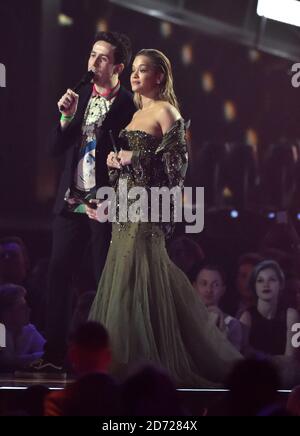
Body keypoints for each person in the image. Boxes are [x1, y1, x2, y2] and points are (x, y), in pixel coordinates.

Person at [88, 49, 241, 387]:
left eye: (144, 70)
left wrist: (130, 157)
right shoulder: (134, 114)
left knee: (143, 270)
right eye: (135, 70)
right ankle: (127, 359)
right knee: (125, 275)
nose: (135, 75)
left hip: (146, 208)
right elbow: (132, 165)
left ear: (160, 76)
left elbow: (177, 165)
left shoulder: (167, 111)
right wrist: (115, 165)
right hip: (125, 206)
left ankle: (151, 363)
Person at [32, 32, 136, 372]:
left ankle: (109, 359)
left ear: (118, 66)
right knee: (57, 274)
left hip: (105, 205)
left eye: (103, 58)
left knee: (105, 280)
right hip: (71, 202)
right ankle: (53, 356)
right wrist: (64, 118)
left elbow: (135, 156)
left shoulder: (128, 105)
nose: (94, 62)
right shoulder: (78, 96)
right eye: (92, 54)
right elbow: (53, 150)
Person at [240, 260, 300, 357]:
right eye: (260, 280)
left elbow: (291, 358)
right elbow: (241, 354)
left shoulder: (292, 316)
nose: (266, 285)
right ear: (254, 286)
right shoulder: (246, 317)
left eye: (272, 279)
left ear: (281, 285)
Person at [193, 264, 244, 352]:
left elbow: (232, 361)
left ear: (222, 290)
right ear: (194, 287)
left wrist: (222, 329)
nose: (209, 290)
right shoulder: (185, 317)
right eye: (203, 283)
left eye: (215, 285)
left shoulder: (232, 325)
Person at [0, 284, 45, 371]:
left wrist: (19, 360)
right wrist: (33, 358)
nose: (28, 310)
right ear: (6, 313)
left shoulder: (29, 330)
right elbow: (4, 361)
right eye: (22, 307)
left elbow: (47, 353)